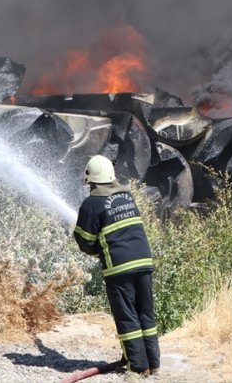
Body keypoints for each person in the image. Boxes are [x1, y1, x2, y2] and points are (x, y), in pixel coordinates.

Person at [73, 154, 160, 376]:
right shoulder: (126, 197)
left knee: (127, 315)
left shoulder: (92, 203)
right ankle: (153, 364)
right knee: (145, 314)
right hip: (144, 262)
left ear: (91, 180)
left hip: (119, 268)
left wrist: (95, 249)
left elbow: (86, 242)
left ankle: (138, 369)